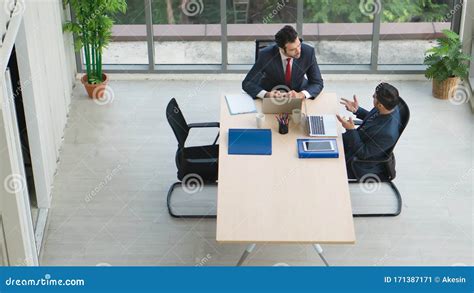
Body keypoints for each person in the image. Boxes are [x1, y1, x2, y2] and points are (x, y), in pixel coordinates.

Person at [337, 83, 401, 179]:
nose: (372, 96)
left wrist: (350, 130)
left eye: (374, 96)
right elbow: (374, 119)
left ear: (380, 105)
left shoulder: (388, 134)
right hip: (357, 140)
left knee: (323, 162)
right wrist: (357, 110)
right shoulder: (388, 108)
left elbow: (362, 153)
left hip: (357, 162)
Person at [242, 25, 323, 100]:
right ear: (281, 48)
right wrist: (266, 95)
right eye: (292, 49)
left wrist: (301, 94)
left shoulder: (308, 52)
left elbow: (317, 83)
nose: (298, 51)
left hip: (298, 92)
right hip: (273, 96)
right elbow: (247, 83)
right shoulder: (265, 55)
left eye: (299, 45)